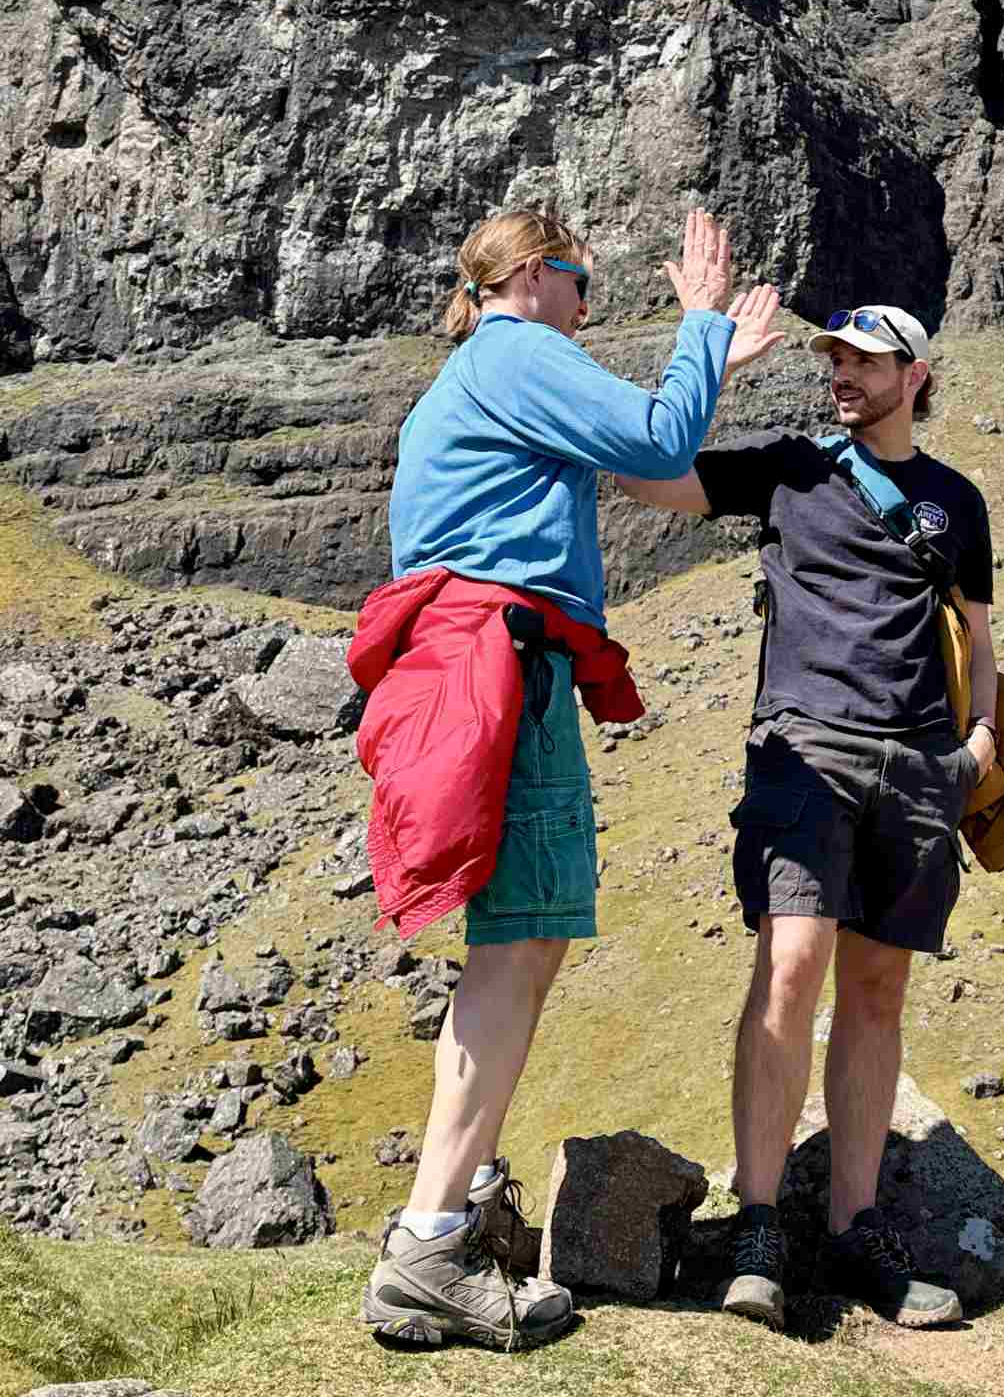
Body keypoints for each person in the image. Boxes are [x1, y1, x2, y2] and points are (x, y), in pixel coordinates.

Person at [356, 206, 784, 1353]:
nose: (588, 308)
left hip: (468, 672)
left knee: (515, 945)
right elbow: (655, 438)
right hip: (507, 671)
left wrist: (715, 361)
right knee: (519, 947)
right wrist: (699, 322)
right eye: (584, 284)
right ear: (535, 274)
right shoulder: (516, 351)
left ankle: (450, 1207)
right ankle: (430, 1244)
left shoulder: (477, 375)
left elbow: (650, 442)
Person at [615, 304, 998, 1332]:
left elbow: (976, 633)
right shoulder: (790, 468)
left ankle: (854, 1229)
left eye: (865, 361)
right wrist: (710, 366)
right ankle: (758, 1228)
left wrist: (979, 740)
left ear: (914, 376)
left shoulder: (956, 500)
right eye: (835, 357)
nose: (843, 373)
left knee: (878, 990)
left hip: (918, 764)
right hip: (806, 747)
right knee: (791, 963)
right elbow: (645, 475)